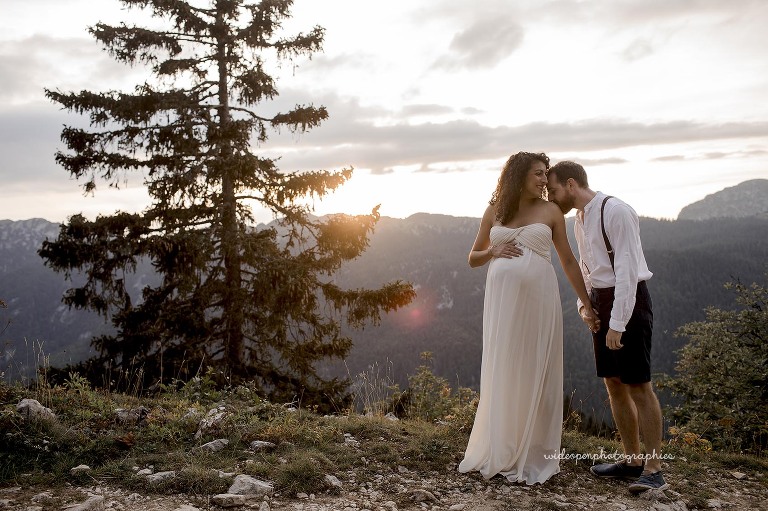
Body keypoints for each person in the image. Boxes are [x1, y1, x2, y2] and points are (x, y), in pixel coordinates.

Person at [458, 151, 598, 485]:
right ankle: (502, 443)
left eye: (545, 174)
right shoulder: (495, 211)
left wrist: (587, 304)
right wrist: (492, 251)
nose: (543, 180)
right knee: (504, 364)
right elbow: (472, 258)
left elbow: (567, 260)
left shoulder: (551, 212)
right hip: (502, 304)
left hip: (538, 301)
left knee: (534, 365)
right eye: (537, 173)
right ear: (518, 175)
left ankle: (533, 449)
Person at [546, 160, 668, 493]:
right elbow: (588, 271)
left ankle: (654, 469)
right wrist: (584, 306)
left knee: (639, 385)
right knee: (613, 384)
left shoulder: (616, 211)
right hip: (601, 301)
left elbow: (628, 270)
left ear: (571, 185)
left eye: (553, 190)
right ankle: (632, 461)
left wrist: (618, 322)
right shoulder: (579, 220)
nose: (551, 198)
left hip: (630, 303)